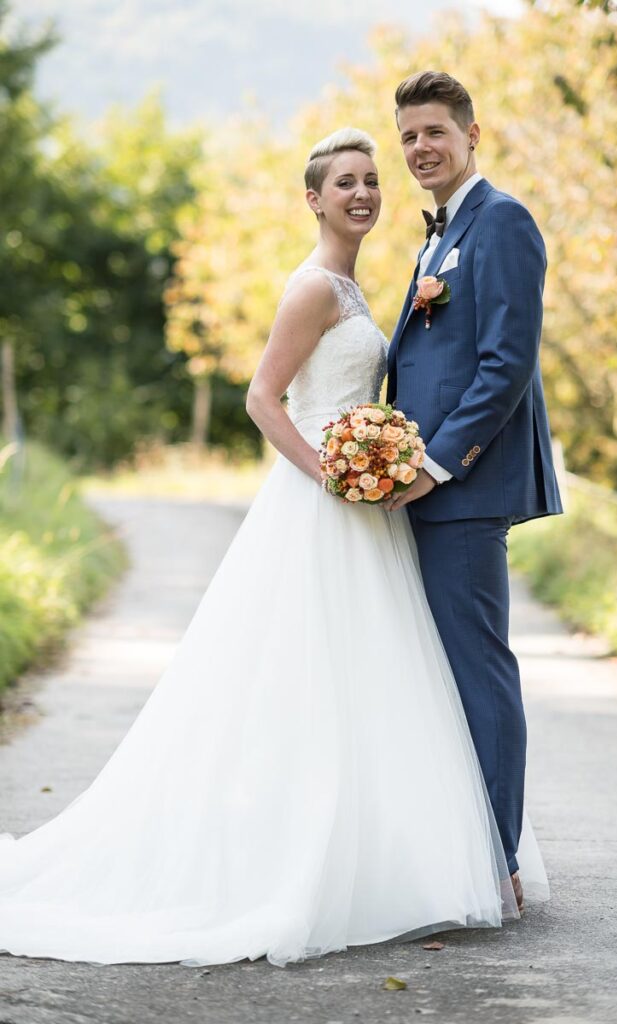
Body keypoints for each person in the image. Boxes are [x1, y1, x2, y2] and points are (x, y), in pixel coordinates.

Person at [0, 128, 547, 970]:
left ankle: (386, 852)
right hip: (324, 500)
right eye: (343, 182)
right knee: (302, 677)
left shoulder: (364, 286)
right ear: (313, 198)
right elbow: (262, 400)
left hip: (366, 503)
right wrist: (330, 473)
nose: (362, 192)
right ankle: (296, 858)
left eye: (370, 179)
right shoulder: (311, 288)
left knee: (371, 678)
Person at [384, 72, 564, 910]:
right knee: (436, 673)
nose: (421, 147)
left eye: (434, 132)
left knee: (477, 668)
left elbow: (504, 364)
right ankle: (450, 844)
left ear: (470, 134)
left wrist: (434, 464)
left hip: (460, 488)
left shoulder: (502, 223)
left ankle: (494, 861)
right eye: (409, 136)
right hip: (418, 486)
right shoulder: (434, 238)